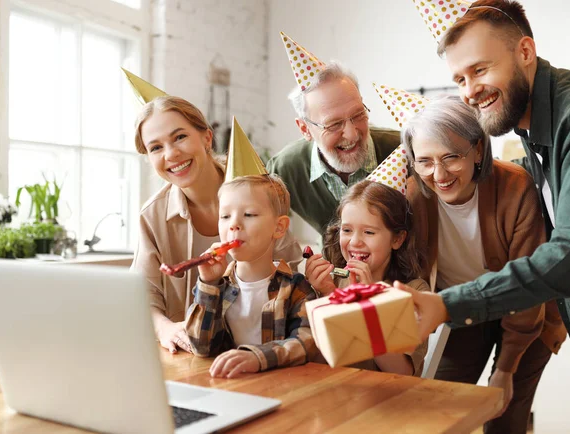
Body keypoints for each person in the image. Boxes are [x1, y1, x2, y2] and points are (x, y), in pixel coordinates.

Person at [401, 1, 570, 431]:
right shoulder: (532, 125)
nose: (470, 90)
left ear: (525, 52)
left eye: (480, 69)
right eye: (459, 79)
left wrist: (446, 305)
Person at [402, 94, 565, 433]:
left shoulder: (515, 186)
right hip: (461, 309)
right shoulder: (414, 197)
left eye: (451, 157)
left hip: (527, 315)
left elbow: (527, 288)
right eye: (426, 161)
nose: (439, 174)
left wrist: (504, 370)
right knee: (441, 408)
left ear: (477, 150)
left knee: (504, 416)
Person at [131, 95, 302, 355]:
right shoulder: (152, 215)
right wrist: (165, 328)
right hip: (191, 357)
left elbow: (293, 271)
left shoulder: (256, 197)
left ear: (207, 138)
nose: (171, 154)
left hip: (266, 353)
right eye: (155, 147)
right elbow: (143, 294)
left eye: (180, 137)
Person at [184, 174, 318, 378]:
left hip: (282, 388)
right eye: (225, 216)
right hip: (229, 385)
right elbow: (201, 347)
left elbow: (306, 344)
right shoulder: (217, 286)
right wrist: (209, 283)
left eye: (249, 214)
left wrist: (257, 358)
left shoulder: (296, 288)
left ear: (279, 227)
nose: (234, 225)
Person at [266, 33, 400, 235]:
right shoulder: (284, 169)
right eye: (334, 124)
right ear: (305, 129)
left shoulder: (402, 150)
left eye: (358, 115)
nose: (352, 133)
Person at [305, 173, 430, 376]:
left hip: (383, 400)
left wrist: (367, 306)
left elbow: (401, 372)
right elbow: (316, 358)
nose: (355, 242)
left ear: (397, 239)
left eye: (369, 232)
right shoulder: (333, 281)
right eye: (346, 230)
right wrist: (329, 294)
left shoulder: (412, 293)